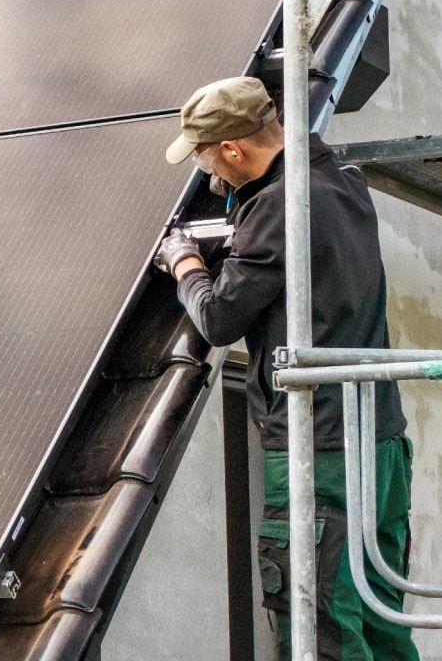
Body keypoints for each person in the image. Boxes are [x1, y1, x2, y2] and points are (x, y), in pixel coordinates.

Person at [154, 75, 413, 661]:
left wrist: (186, 263)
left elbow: (219, 319)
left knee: (320, 622)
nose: (206, 174)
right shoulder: (344, 181)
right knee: (381, 619)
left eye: (203, 158)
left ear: (232, 149)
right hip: (380, 441)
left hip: (317, 449)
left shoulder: (278, 207)